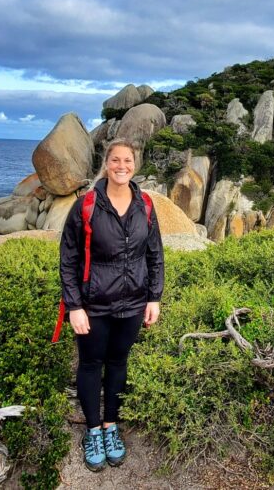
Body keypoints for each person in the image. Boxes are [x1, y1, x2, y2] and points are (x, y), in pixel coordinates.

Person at [59, 138, 164, 472]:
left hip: (133, 304)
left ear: (135, 165)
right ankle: (92, 431)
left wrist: (154, 297)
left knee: (118, 363)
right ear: (106, 164)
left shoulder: (145, 205)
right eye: (116, 160)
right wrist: (74, 305)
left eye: (128, 160)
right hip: (94, 304)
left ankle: (110, 427)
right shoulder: (87, 205)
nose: (122, 166)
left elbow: (155, 254)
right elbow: (69, 258)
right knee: (91, 364)